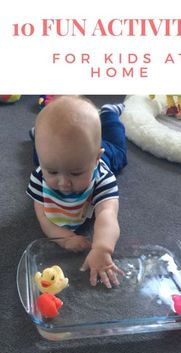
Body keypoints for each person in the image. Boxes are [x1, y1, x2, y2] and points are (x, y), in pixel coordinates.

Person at [27, 95, 127, 289]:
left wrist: (102, 247)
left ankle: (108, 114)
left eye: (75, 173)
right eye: (53, 172)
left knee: (119, 153)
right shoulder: (40, 176)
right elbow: (43, 217)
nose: (63, 183)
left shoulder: (102, 178)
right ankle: (38, 136)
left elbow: (107, 215)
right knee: (46, 151)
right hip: (62, 154)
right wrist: (65, 239)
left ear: (96, 159)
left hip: (103, 152)